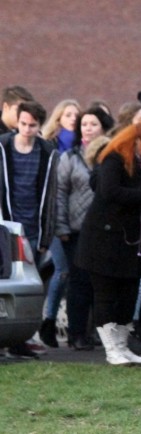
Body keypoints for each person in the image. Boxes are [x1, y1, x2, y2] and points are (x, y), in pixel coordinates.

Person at [75, 119, 141, 366]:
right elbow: (109, 191)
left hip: (129, 241)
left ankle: (122, 346)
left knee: (127, 294)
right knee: (105, 295)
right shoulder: (114, 158)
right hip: (103, 241)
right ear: (136, 141)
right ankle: (111, 349)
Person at [0, 100, 59, 359]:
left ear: (40, 126)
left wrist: (46, 236)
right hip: (4, 225)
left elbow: (51, 195)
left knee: (25, 286)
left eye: (32, 125)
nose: (26, 129)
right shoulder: (2, 147)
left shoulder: (47, 152)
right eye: (22, 124)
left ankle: (18, 340)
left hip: (32, 226)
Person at [54, 106, 115, 351]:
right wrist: (61, 226)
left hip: (105, 230)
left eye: (93, 124)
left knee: (101, 284)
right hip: (77, 230)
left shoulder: (111, 157)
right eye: (84, 125)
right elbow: (59, 193)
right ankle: (77, 333)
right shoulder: (70, 158)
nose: (88, 129)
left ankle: (97, 332)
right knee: (79, 283)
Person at [38, 99, 82, 348]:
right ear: (58, 118)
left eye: (76, 114)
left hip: (73, 220)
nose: (73, 118)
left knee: (70, 273)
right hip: (53, 218)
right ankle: (48, 321)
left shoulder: (79, 148)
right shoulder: (50, 146)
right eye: (68, 114)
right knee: (62, 269)